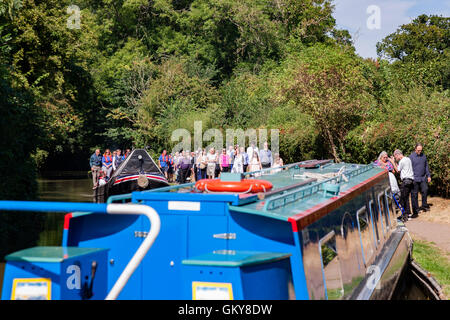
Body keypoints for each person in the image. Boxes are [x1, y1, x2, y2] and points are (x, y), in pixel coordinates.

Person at [393, 149, 417, 221]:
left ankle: (405, 215)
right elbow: (400, 167)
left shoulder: (402, 161)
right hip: (411, 181)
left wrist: (392, 161)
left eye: (395, 157)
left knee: (402, 198)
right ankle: (408, 214)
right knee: (406, 198)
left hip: (406, 181)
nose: (395, 158)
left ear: (398, 155)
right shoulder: (408, 159)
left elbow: (397, 170)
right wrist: (395, 162)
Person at [410, 143, 431, 213]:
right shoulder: (411, 157)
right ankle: (416, 209)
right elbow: (409, 168)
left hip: (423, 178)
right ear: (415, 149)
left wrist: (428, 175)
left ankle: (424, 206)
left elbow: (426, 166)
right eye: (418, 150)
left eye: (421, 150)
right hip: (414, 178)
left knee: (425, 190)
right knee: (414, 194)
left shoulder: (423, 156)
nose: (420, 151)